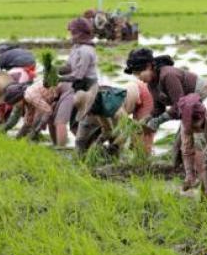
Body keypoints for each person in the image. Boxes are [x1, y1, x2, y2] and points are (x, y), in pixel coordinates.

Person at [125, 48, 207, 185]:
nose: (139, 77)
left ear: (150, 66)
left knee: (196, 141)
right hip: (188, 106)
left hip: (206, 100)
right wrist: (148, 118)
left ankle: (205, 179)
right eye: (136, 75)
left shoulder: (168, 75)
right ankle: (185, 174)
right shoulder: (151, 83)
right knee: (178, 146)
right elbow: (158, 108)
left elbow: (179, 106)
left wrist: (158, 121)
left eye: (140, 73)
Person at [51, 17, 99, 147]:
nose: (70, 36)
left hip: (88, 89)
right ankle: (88, 149)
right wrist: (54, 69)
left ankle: (93, 148)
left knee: (83, 124)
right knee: (74, 125)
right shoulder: (76, 48)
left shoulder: (86, 51)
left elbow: (78, 75)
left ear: (80, 33)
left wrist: (58, 79)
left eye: (72, 33)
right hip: (77, 89)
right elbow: (69, 67)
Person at [73, 80, 153, 155]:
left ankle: (145, 162)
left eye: (87, 111)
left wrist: (115, 145)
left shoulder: (114, 107)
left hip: (143, 94)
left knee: (142, 138)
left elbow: (127, 130)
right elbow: (108, 130)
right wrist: (98, 142)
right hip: (130, 92)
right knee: (129, 143)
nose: (88, 115)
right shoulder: (98, 110)